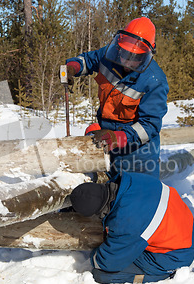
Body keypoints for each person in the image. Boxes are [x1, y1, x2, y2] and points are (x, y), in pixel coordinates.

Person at [65, 17, 169, 178]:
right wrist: (72, 67)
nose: (127, 60)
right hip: (107, 140)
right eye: (125, 53)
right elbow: (88, 60)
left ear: (147, 53)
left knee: (133, 198)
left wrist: (119, 137)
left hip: (138, 154)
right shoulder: (109, 55)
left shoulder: (154, 81)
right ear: (120, 44)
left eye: (135, 57)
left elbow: (149, 126)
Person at [69, 171, 194, 284]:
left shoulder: (128, 223)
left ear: (100, 211)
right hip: (183, 225)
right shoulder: (129, 179)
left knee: (101, 275)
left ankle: (162, 274)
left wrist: (94, 256)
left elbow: (109, 262)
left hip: (175, 256)